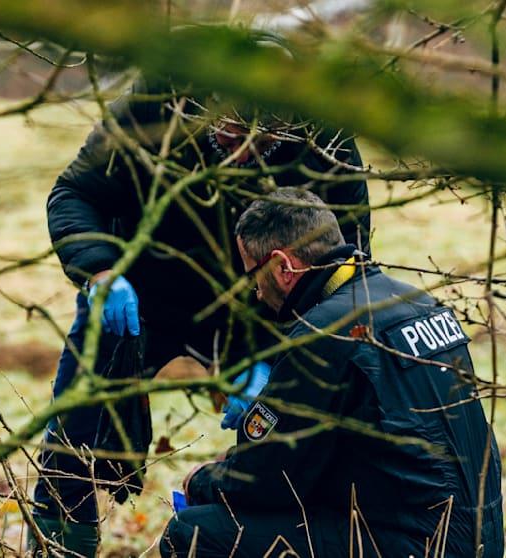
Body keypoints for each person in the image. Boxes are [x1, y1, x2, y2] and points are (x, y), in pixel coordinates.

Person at [31, 68, 370, 556]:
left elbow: (346, 262)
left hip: (263, 310)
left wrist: (279, 355)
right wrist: (100, 272)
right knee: (76, 427)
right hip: (136, 296)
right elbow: (75, 194)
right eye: (229, 136)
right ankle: (60, 544)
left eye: (262, 143)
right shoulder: (154, 103)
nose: (242, 154)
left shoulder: (324, 135)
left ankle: (261, 541)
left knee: (296, 434)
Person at [160, 189, 503, 557]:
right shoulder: (418, 302)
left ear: (283, 267)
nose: (257, 293)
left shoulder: (323, 333)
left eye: (254, 277)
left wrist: (203, 480)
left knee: (191, 533)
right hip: (475, 540)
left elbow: (267, 482)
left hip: (413, 543)